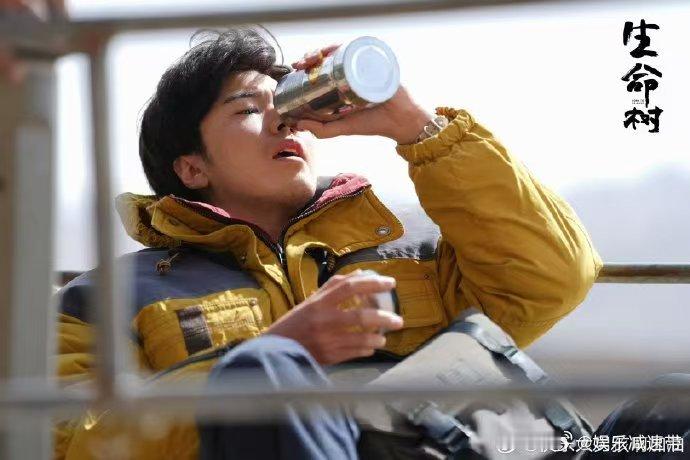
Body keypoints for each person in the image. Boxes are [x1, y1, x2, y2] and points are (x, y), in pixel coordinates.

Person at [55, 28, 603, 459]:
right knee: (265, 369)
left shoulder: (410, 249)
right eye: (248, 110)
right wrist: (273, 356)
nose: (282, 123)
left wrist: (414, 125)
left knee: (652, 417)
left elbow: (553, 281)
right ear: (192, 168)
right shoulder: (106, 298)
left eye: (286, 106)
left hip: (440, 446)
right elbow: (69, 442)